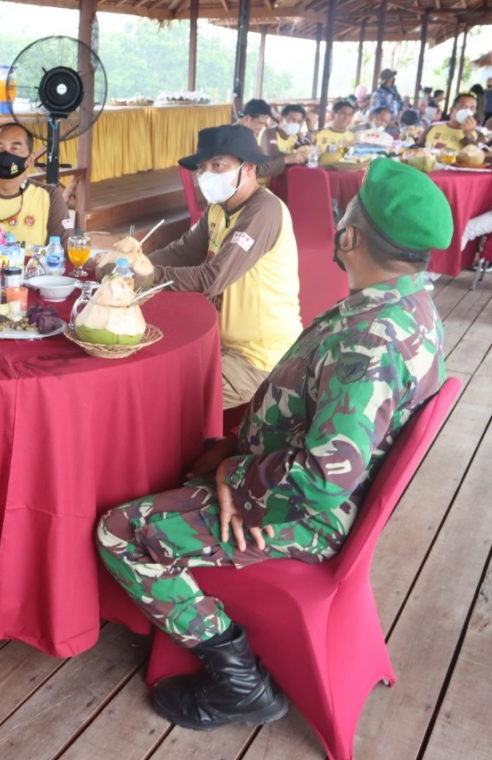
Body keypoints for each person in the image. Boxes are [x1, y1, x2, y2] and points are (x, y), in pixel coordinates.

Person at [96, 157, 449, 731]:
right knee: (187, 460)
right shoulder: (407, 305)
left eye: (344, 214)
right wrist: (234, 451)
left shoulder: (371, 341)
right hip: (287, 477)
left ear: (351, 234)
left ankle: (237, 677)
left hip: (305, 511)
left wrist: (238, 480)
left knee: (120, 531)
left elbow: (325, 475)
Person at [130, 125, 302, 410]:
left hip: (260, 360)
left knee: (162, 393)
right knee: (146, 362)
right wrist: (132, 264)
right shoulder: (218, 209)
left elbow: (212, 278)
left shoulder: (264, 211)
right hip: (218, 344)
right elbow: (182, 252)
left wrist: (147, 276)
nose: (207, 174)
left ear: (248, 169)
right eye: (202, 167)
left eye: (218, 165)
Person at [237, 99, 307, 178]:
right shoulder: (237, 138)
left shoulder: (248, 136)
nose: (261, 127)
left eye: (299, 121)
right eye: (260, 123)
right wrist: (286, 159)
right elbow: (257, 169)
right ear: (247, 119)